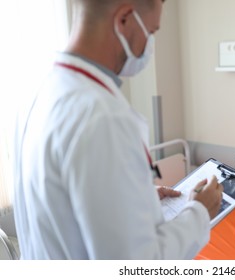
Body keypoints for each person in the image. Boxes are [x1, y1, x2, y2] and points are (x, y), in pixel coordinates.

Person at [12, 0, 223, 259]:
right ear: (124, 19)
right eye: (152, 31)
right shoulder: (103, 116)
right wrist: (199, 213)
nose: (150, 44)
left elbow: (61, 204)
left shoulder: (37, 91)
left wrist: (138, 200)